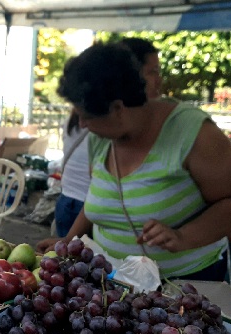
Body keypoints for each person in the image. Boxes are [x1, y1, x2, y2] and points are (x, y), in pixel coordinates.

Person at [37, 43, 231, 281]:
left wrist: (183, 236)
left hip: (186, 286)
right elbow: (98, 197)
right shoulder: (101, 138)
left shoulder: (192, 133)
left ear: (118, 108)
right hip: (113, 282)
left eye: (87, 117)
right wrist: (69, 240)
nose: (83, 125)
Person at [55, 37, 163, 238]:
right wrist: (68, 241)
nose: (159, 79)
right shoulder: (100, 133)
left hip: (68, 198)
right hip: (77, 207)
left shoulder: (183, 128)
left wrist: (186, 235)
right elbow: (96, 192)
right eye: (152, 71)